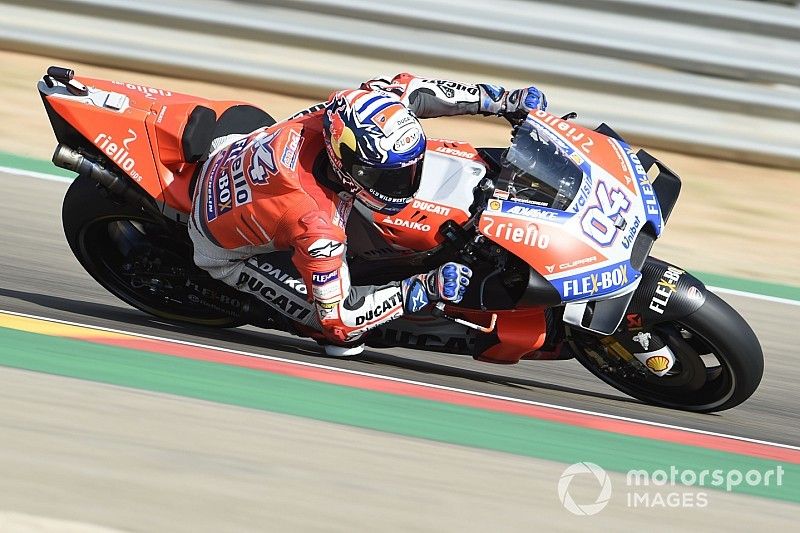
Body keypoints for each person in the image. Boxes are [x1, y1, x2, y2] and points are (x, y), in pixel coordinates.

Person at [188, 73, 547, 356]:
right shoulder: (317, 226)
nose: (403, 182)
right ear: (347, 165)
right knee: (342, 342)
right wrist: (420, 289)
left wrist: (502, 100)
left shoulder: (351, 108)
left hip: (235, 148)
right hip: (221, 247)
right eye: (387, 177)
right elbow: (340, 320)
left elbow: (415, 90)